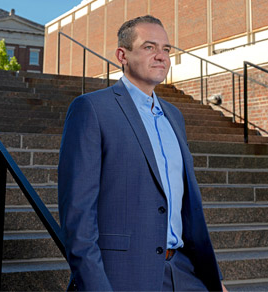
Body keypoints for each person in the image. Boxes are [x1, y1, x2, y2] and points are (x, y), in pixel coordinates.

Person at [58, 15, 227, 291]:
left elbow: (187, 210)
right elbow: (77, 216)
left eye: (166, 49)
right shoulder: (92, 109)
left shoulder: (174, 116)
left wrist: (213, 278)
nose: (161, 56)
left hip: (184, 271)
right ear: (122, 55)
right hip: (124, 276)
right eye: (149, 47)